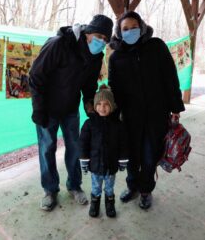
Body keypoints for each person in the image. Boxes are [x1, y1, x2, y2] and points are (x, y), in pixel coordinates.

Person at [29, 14, 113, 211]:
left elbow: (89, 84)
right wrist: (38, 109)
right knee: (47, 148)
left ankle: (74, 185)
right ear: (87, 33)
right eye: (99, 36)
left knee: (75, 146)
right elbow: (35, 76)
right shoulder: (59, 44)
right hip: (47, 108)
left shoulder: (96, 56)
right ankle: (50, 190)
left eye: (106, 39)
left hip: (70, 109)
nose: (102, 41)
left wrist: (90, 104)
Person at [108, 11, 185, 209]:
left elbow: (170, 77)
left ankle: (145, 190)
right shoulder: (116, 57)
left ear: (141, 28)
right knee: (132, 155)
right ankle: (132, 186)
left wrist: (175, 106)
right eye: (125, 29)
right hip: (130, 117)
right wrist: (113, 116)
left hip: (156, 114)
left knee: (150, 155)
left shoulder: (156, 47)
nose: (130, 31)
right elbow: (114, 87)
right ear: (119, 32)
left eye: (134, 27)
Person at [79, 85, 129, 218]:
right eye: (99, 104)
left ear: (112, 106)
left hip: (111, 166)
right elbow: (83, 143)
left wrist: (123, 160)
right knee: (95, 188)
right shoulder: (89, 124)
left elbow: (123, 144)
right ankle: (94, 205)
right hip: (95, 166)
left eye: (106, 104)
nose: (102, 107)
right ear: (95, 106)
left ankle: (110, 205)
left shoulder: (118, 125)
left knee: (109, 188)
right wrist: (84, 161)